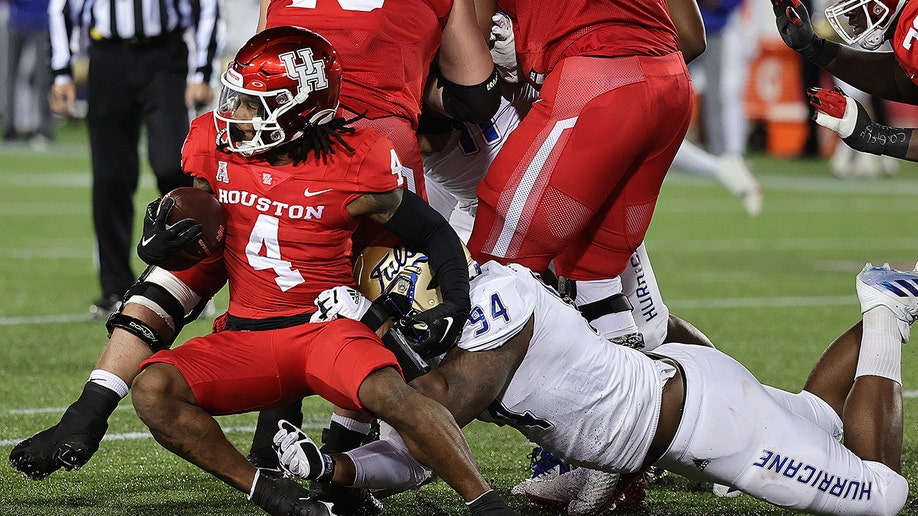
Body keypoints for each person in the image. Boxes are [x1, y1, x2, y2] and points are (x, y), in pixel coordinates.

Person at [121, 26, 514, 516]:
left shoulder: (353, 160)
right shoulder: (212, 144)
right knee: (154, 390)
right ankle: (271, 494)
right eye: (236, 98)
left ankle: (486, 502)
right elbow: (198, 226)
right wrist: (165, 240)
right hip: (246, 335)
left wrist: (455, 299)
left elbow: (433, 232)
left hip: (323, 331)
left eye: (253, 104)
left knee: (391, 395)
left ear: (301, 109)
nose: (234, 115)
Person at [272, 247, 914, 515]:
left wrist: (361, 354)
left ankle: (885, 311)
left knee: (882, 498)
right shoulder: (451, 339)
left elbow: (434, 412)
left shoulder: (502, 300)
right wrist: (334, 470)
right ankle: (886, 302)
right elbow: (416, 458)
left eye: (391, 314)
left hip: (710, 424)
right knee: (819, 416)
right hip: (682, 398)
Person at [465, 0, 696, 351]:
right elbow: (693, 38)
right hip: (670, 82)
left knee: (492, 267)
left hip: (596, 87)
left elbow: (470, 75)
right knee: (595, 283)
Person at [47, 0, 222, 318]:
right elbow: (61, 7)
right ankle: (115, 287)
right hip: (108, 56)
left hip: (165, 55)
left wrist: (204, 72)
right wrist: (61, 71)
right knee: (110, 177)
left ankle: (192, 282)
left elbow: (207, 5)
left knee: (174, 167)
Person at [3, 0, 53, 146]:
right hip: (17, 22)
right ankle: (10, 127)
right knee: (10, 77)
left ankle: (44, 128)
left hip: (41, 23)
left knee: (42, 78)